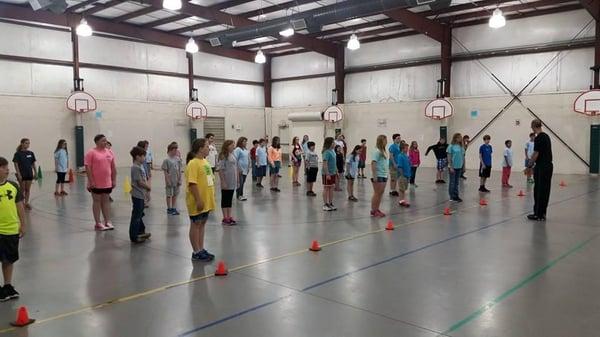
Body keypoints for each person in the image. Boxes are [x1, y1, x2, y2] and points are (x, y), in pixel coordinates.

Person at [185, 138, 216, 261]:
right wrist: (198, 199)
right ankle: (196, 251)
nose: (209, 148)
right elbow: (192, 183)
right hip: (197, 200)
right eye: (207, 146)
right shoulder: (193, 163)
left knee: (202, 224)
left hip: (206, 200)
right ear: (200, 148)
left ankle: (201, 248)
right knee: (195, 224)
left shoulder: (205, 162)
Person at [0, 157, 26, 301]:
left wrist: (23, 223)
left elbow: (20, 206)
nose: (7, 170)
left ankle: (7, 285)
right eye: (4, 167)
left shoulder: (13, 186)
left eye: (7, 167)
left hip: (11, 229)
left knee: (8, 260)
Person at [85, 134, 117, 231]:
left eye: (106, 140)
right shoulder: (91, 153)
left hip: (107, 182)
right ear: (97, 142)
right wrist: (91, 181)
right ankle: (98, 222)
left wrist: (114, 179)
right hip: (96, 183)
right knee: (97, 202)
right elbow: (88, 168)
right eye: (103, 140)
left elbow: (113, 167)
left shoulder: (110, 152)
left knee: (106, 202)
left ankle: (108, 221)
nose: (105, 142)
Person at [526, 119, 553, 221]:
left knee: (539, 191)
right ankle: (543, 213)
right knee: (545, 190)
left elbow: (536, 153)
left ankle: (538, 214)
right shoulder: (546, 136)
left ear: (533, 126)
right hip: (549, 166)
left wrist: (529, 165)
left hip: (542, 167)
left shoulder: (538, 138)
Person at [129, 146, 152, 243]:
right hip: (137, 195)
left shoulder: (139, 167)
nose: (144, 158)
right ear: (137, 157)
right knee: (137, 215)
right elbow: (139, 182)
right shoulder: (135, 167)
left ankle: (141, 231)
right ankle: (134, 235)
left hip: (141, 194)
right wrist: (148, 187)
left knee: (140, 214)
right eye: (143, 156)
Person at [12, 138, 37, 210]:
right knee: (22, 189)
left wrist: (35, 172)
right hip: (22, 174)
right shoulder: (17, 154)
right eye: (26, 143)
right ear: (22, 143)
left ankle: (26, 203)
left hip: (29, 173)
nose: (28, 144)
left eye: (28, 143)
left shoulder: (31, 153)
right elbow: (16, 164)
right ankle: (21, 203)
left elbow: (33, 164)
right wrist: (18, 174)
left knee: (27, 189)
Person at [218, 140, 238, 225]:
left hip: (232, 180)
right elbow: (221, 170)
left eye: (234, 145)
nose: (234, 147)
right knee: (225, 199)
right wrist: (223, 182)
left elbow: (235, 167)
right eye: (232, 145)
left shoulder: (232, 155)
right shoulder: (223, 156)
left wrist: (237, 179)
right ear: (227, 146)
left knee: (230, 199)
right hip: (226, 181)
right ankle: (225, 217)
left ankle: (229, 216)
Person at [161, 143, 182, 215]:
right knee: (169, 194)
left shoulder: (178, 159)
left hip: (176, 179)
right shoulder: (166, 160)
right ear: (170, 150)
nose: (176, 151)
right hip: (170, 180)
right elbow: (165, 172)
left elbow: (179, 170)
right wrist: (167, 180)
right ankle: (169, 208)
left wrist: (179, 179)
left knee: (175, 194)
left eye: (176, 150)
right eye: (174, 150)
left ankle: (173, 207)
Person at [370, 135, 388, 217]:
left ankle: (377, 209)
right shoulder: (377, 151)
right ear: (381, 141)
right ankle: (373, 210)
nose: (386, 142)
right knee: (377, 193)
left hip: (384, 174)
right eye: (385, 140)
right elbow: (373, 163)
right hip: (378, 175)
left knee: (380, 193)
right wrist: (375, 176)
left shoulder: (382, 151)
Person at [447, 133, 465, 202]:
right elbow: (449, 157)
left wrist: (463, 166)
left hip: (459, 166)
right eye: (459, 137)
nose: (460, 139)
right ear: (455, 138)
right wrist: (451, 166)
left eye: (461, 137)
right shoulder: (451, 146)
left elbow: (463, 157)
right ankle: (452, 196)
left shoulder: (461, 147)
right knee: (452, 182)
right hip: (453, 166)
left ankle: (456, 195)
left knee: (457, 182)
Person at [322, 137, 337, 211]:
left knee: (331, 188)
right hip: (327, 173)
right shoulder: (327, 152)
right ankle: (325, 204)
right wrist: (327, 174)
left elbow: (334, 163)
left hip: (333, 173)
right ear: (330, 143)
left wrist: (336, 170)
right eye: (333, 142)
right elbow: (325, 164)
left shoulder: (333, 151)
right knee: (326, 188)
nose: (334, 144)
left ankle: (330, 203)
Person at [397, 142, 411, 207]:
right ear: (402, 149)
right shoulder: (400, 156)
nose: (407, 149)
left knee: (404, 189)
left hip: (407, 175)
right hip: (402, 176)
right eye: (406, 148)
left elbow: (408, 166)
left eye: (407, 148)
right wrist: (402, 176)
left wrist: (409, 176)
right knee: (401, 189)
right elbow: (400, 167)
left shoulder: (406, 156)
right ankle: (401, 201)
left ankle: (403, 200)